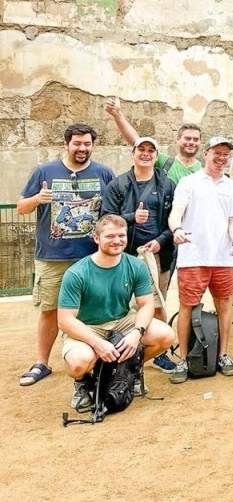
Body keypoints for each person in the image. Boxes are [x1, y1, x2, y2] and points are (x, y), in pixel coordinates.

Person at [17, 123, 116, 387]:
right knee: (50, 310)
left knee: (91, 312)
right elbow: (21, 207)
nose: (82, 148)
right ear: (66, 144)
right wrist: (38, 198)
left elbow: (113, 211)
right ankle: (41, 362)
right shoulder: (44, 171)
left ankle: (89, 361)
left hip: (91, 258)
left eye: (87, 144)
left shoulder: (104, 173)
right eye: (77, 143)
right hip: (52, 257)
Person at [58, 215, 175, 412]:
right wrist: (98, 343)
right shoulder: (76, 273)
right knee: (78, 363)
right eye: (110, 236)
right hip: (88, 326)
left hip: (123, 320)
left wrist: (137, 332)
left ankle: (130, 371)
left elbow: (146, 304)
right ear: (97, 238)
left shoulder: (136, 265)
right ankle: (83, 382)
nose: (117, 241)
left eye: (121, 235)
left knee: (166, 336)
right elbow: (65, 320)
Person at [167, 135, 233, 384]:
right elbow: (175, 214)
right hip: (193, 257)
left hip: (223, 258)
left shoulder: (232, 187)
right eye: (216, 153)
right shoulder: (188, 183)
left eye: (225, 154)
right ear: (206, 154)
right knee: (187, 307)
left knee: (224, 307)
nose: (221, 158)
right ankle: (182, 359)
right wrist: (177, 230)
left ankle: (223, 355)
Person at [101, 136, 177, 373]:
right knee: (123, 307)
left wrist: (160, 242)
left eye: (150, 150)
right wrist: (132, 218)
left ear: (156, 156)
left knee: (157, 305)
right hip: (124, 255)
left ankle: (160, 353)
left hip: (158, 256)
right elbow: (105, 219)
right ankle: (119, 352)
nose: (145, 154)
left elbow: (175, 222)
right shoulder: (118, 184)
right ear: (132, 153)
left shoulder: (167, 185)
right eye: (141, 149)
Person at [104, 99, 203, 185]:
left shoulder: (204, 169)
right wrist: (118, 115)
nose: (191, 142)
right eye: (187, 138)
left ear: (200, 141)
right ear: (178, 139)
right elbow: (137, 141)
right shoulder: (164, 162)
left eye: (195, 139)